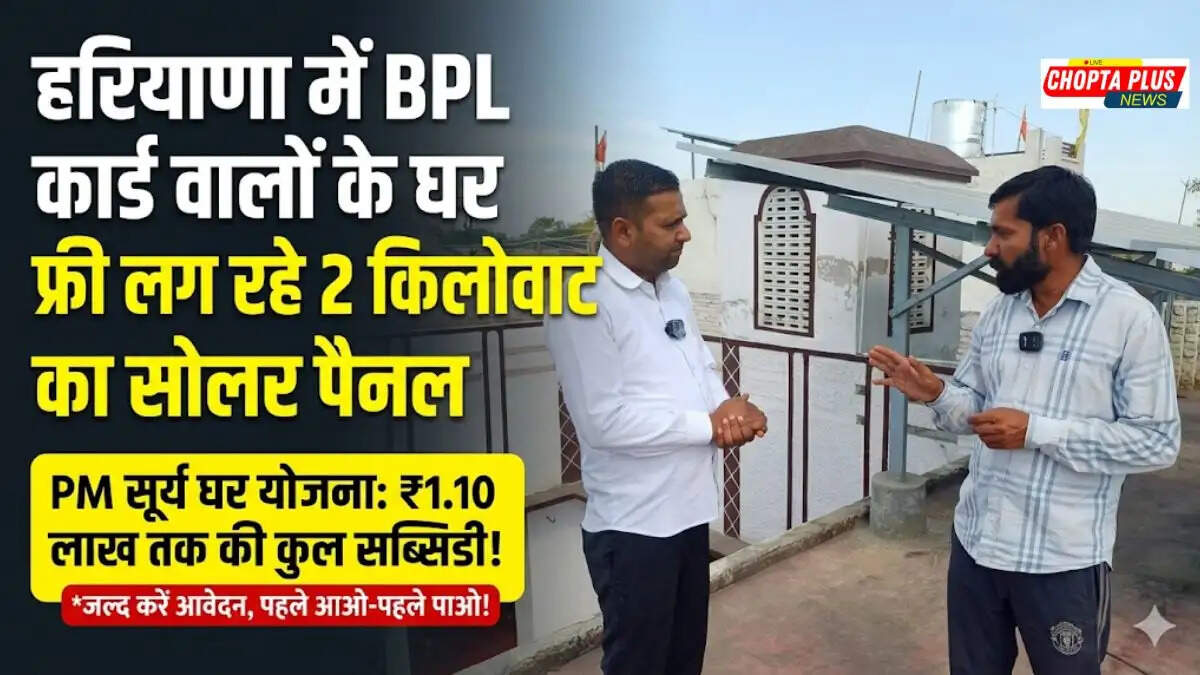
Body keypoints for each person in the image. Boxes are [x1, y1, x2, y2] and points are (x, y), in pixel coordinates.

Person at [869, 165, 1180, 675]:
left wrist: (1036, 432)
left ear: (1053, 236)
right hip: (977, 548)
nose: (990, 248)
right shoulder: (1000, 313)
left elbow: (1156, 442)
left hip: (1062, 563)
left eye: (1003, 233)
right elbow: (974, 413)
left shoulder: (1129, 319)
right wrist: (936, 393)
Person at [545, 159, 767, 674]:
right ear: (622, 230)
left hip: (688, 516)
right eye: (671, 224)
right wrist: (709, 427)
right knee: (639, 665)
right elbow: (604, 422)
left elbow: (700, 368)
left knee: (683, 659)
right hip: (634, 531)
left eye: (683, 219)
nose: (685, 233)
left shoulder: (672, 289)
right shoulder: (581, 299)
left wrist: (727, 410)